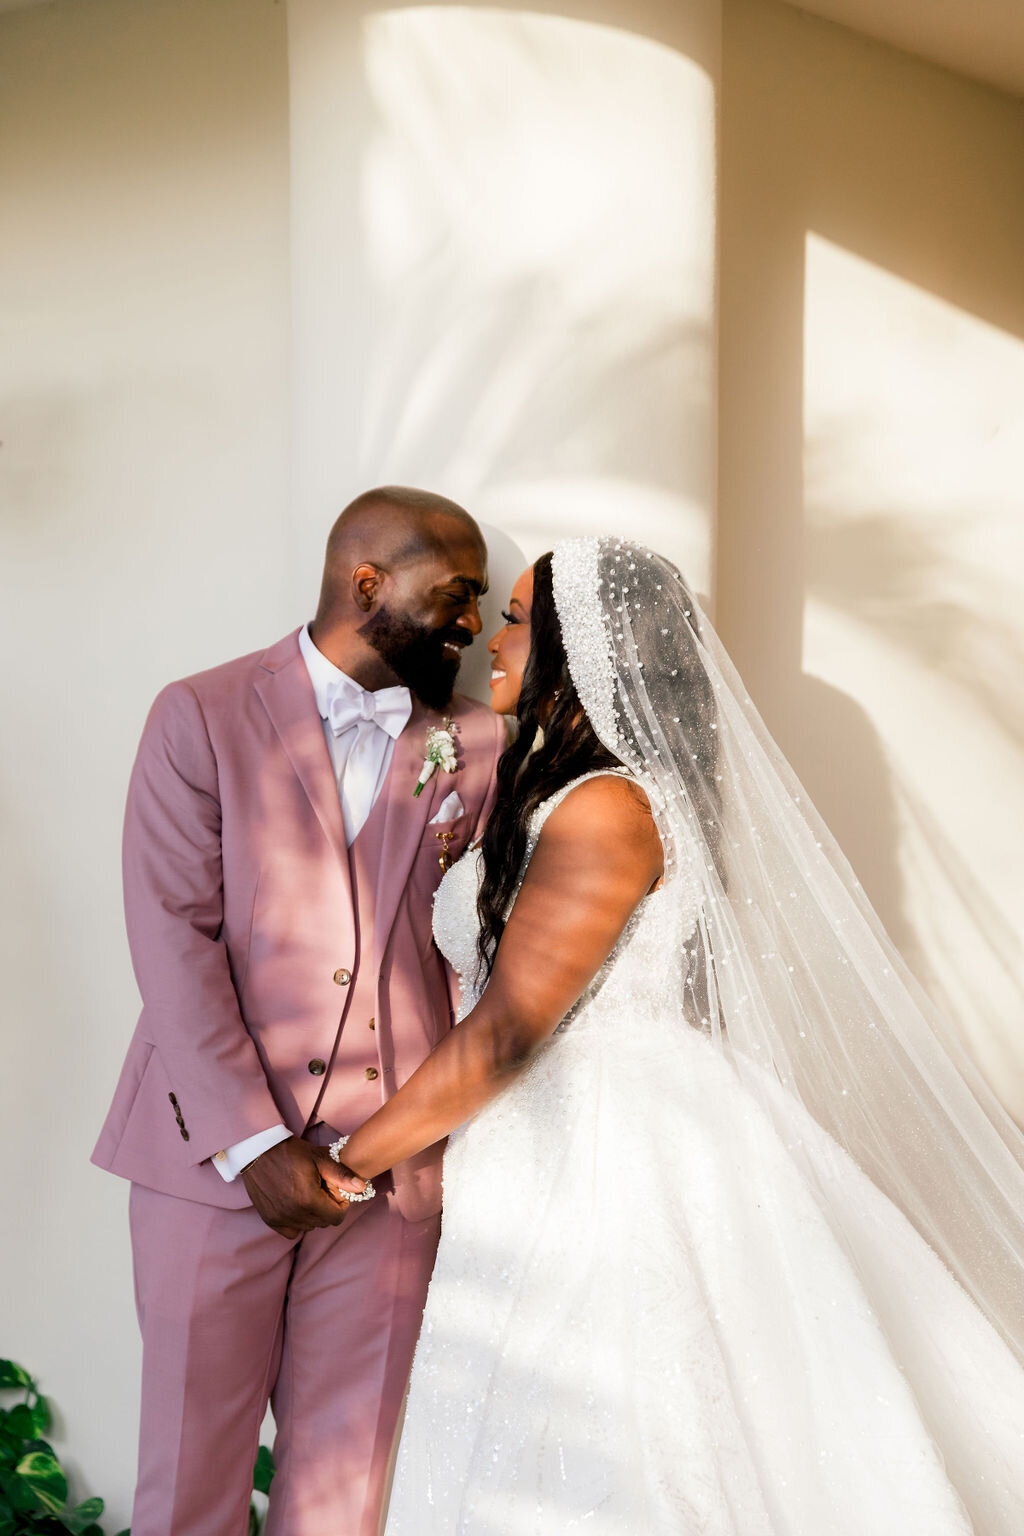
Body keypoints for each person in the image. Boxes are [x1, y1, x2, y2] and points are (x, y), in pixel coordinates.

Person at [327, 537, 1024, 1535]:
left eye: (521, 621)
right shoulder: (571, 794)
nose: (494, 643)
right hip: (541, 1145)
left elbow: (511, 1031)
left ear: (589, 651)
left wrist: (351, 1163)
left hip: (609, 1151)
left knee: (626, 1420)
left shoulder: (605, 810)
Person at [92, 487, 506, 1536]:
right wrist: (252, 1142)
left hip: (392, 1174)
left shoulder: (477, 745)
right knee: (192, 1482)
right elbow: (172, 942)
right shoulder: (200, 711)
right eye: (456, 596)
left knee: (343, 1489)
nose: (470, 623)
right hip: (207, 1162)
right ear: (366, 583)